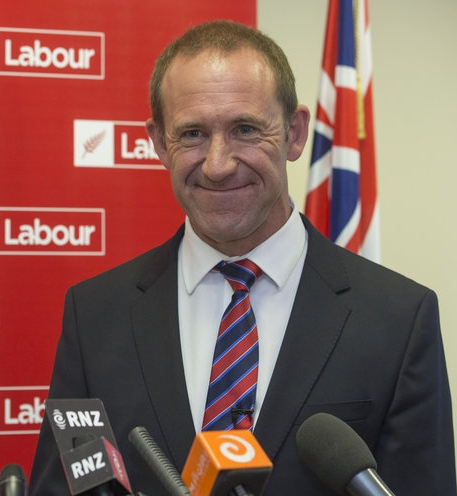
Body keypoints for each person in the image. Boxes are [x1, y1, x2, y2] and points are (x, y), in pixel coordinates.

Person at [29, 20, 455, 495]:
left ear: (294, 134)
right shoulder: (95, 317)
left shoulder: (399, 319)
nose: (217, 164)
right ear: (157, 143)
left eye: (245, 129)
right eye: (191, 134)